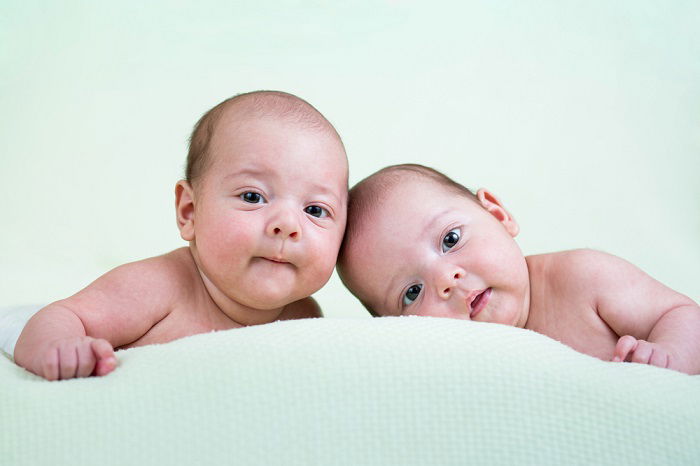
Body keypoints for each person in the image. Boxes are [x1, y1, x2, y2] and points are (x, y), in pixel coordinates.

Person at [14, 90, 348, 381]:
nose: (288, 225)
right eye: (252, 197)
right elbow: (62, 316)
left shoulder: (304, 317)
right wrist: (59, 348)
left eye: (316, 210)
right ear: (189, 211)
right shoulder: (158, 287)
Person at [337, 164, 700, 374]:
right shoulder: (454, 367)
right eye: (412, 293)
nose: (446, 279)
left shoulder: (583, 278)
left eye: (450, 240)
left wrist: (672, 354)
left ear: (498, 214)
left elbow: (681, 313)